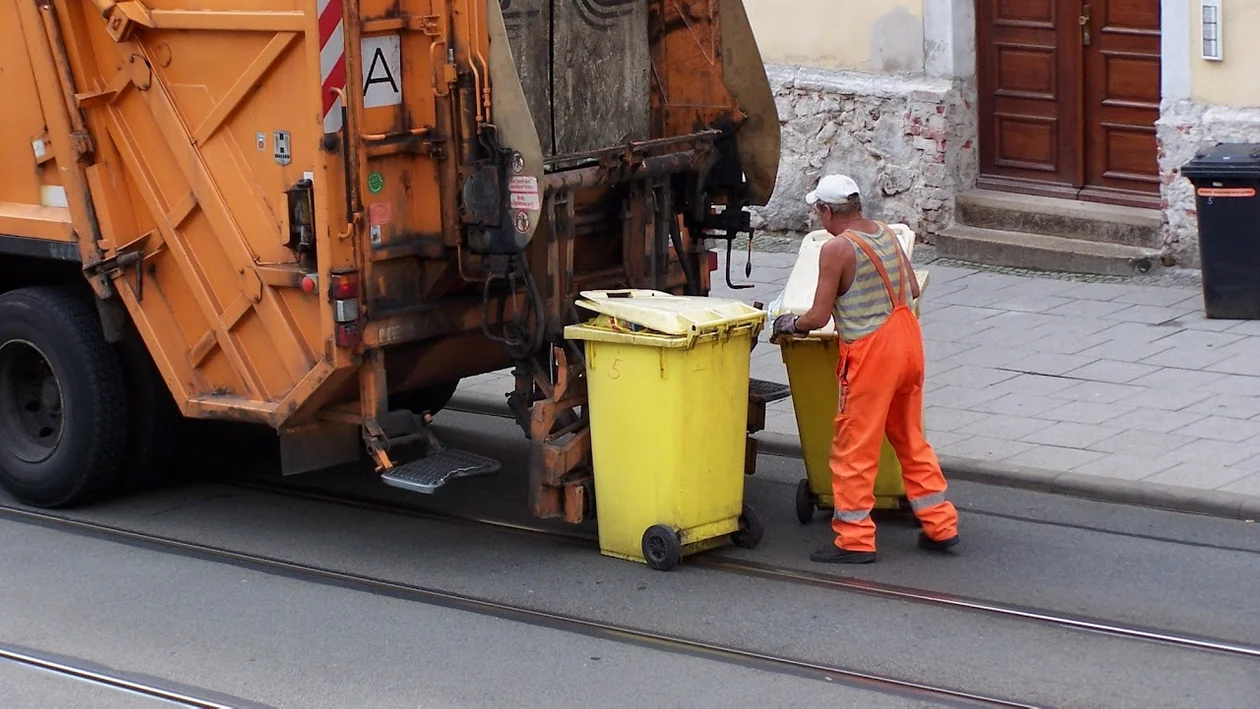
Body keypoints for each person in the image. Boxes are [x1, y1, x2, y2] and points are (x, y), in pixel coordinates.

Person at [771, 174, 960, 564]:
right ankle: (941, 525)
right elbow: (913, 289)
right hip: (907, 341)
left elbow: (819, 315)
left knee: (853, 448)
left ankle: (854, 539)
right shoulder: (887, 234)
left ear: (827, 211)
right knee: (909, 437)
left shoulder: (837, 249)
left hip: (872, 353)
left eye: (817, 210)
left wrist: (789, 324)